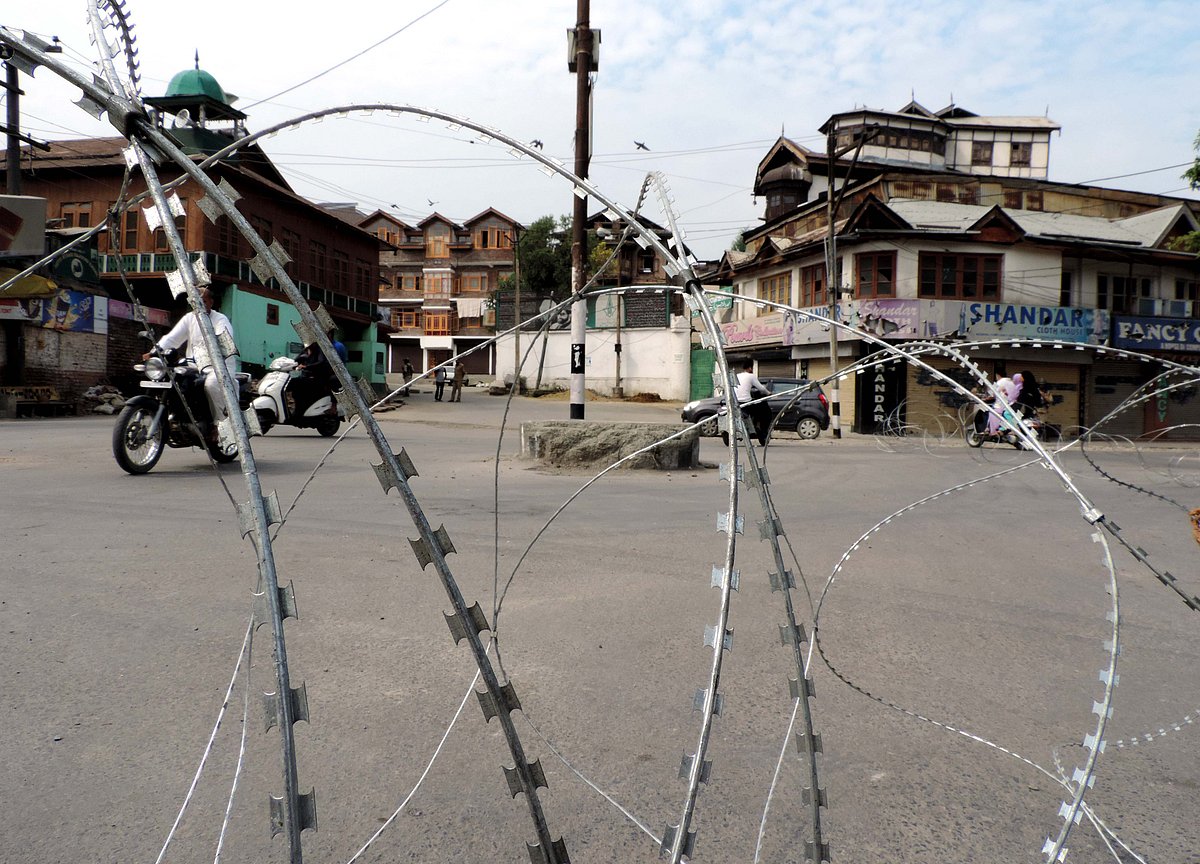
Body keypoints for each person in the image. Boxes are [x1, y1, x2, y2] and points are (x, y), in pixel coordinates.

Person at [145, 287, 237, 434]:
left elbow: (224, 340)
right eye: (196, 301)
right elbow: (172, 338)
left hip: (219, 366)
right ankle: (179, 414)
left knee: (212, 384)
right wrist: (154, 352)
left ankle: (220, 424)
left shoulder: (220, 319)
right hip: (194, 365)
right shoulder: (190, 318)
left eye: (204, 301)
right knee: (174, 378)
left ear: (211, 303)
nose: (199, 304)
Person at [734, 359, 772, 446]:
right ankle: (759, 427)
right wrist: (769, 393)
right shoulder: (751, 376)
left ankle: (754, 426)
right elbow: (761, 388)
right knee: (766, 412)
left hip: (736, 403)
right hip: (746, 403)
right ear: (750, 368)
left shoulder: (736, 375)